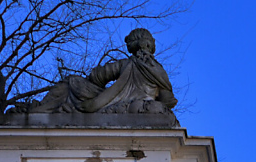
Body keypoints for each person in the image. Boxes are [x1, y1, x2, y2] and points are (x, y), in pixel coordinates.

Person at [30, 28, 177, 115]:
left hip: (107, 103)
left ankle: (39, 110)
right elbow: (167, 100)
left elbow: (97, 77)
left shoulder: (125, 64)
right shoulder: (159, 71)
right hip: (142, 108)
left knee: (71, 82)